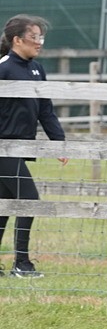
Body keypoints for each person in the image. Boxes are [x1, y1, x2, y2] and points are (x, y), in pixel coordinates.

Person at [0, 15, 68, 278]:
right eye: (34, 37)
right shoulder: (3, 68)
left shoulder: (37, 69)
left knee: (5, 206)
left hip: (22, 149)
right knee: (28, 200)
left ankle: (18, 263)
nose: (39, 42)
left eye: (41, 37)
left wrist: (59, 144)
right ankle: (22, 264)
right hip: (3, 150)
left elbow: (45, 110)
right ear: (18, 40)